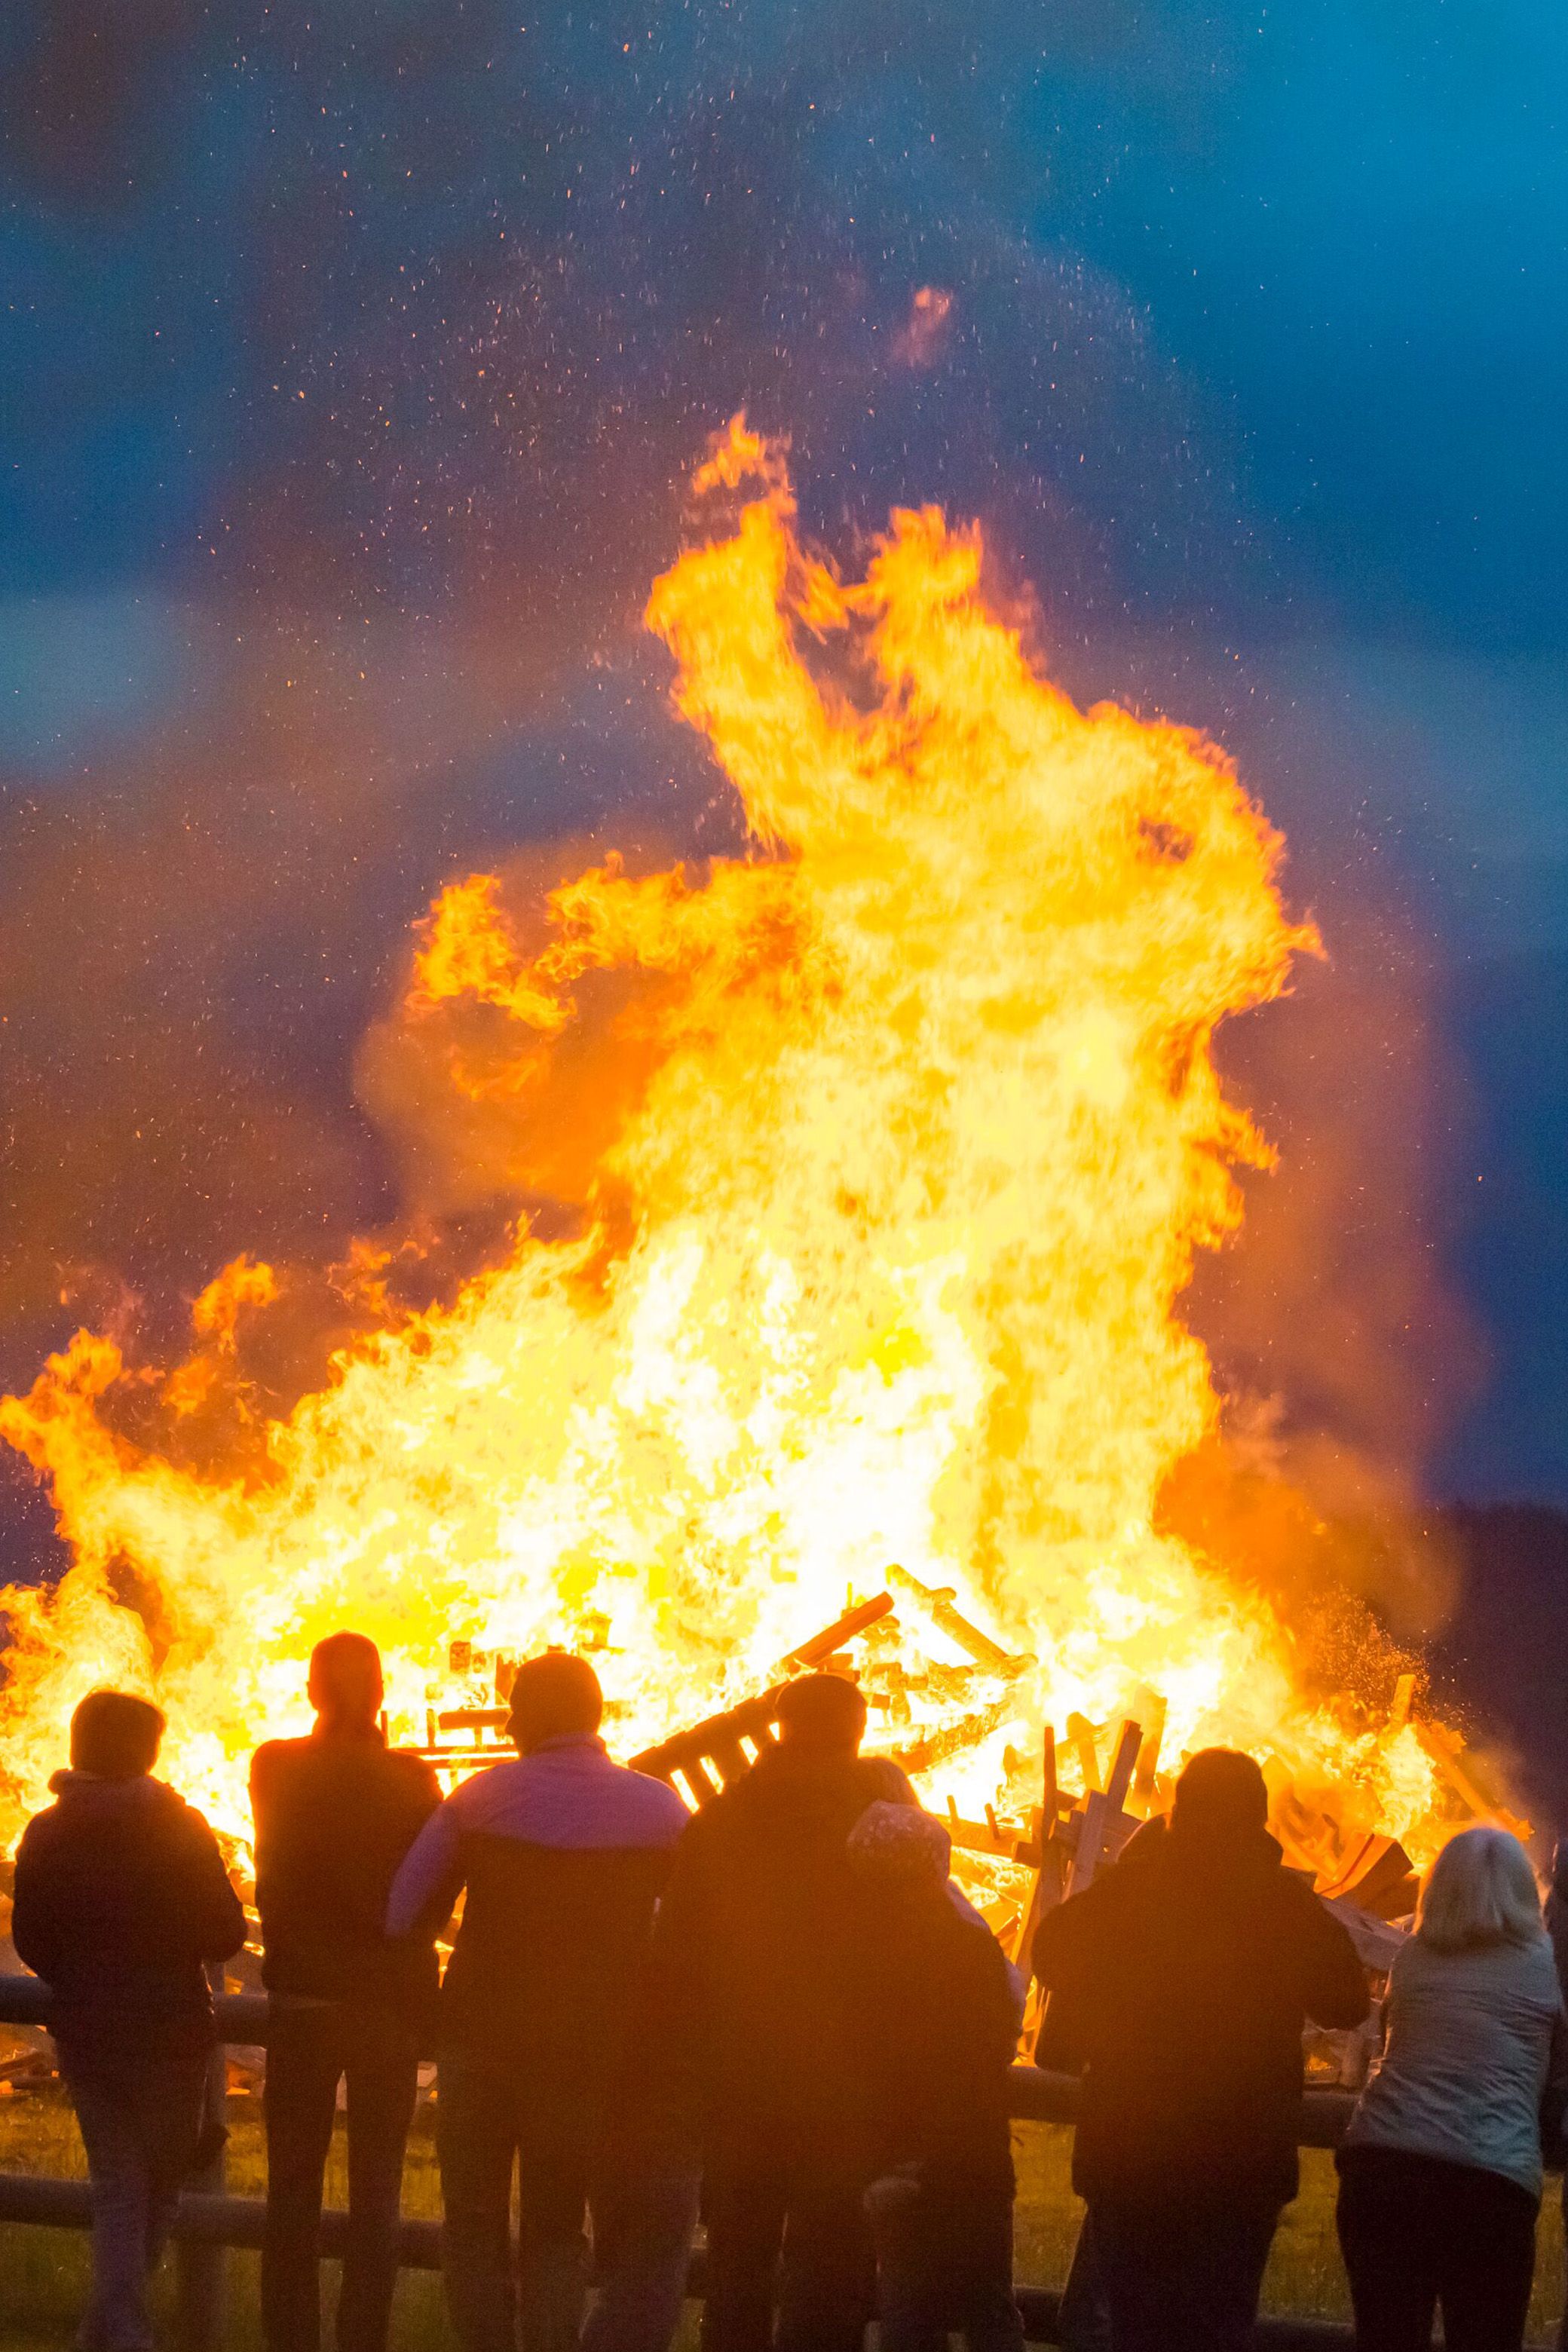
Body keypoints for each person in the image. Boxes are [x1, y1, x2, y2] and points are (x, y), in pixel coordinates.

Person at [386, 1649, 691, 2352]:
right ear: (596, 1716)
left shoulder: (481, 1799)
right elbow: (691, 1931)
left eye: (516, 1707)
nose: (512, 1718)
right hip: (593, 2046)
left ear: (528, 1718)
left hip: (481, 2038)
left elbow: (404, 1912)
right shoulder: (659, 1808)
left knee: (473, 2220)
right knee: (557, 2221)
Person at [1031, 1746, 1369, 2352]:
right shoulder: (1282, 1906)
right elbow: (1347, 2002)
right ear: (1258, 1817)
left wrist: (1136, 1869)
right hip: (1238, 2168)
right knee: (1218, 2330)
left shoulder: (1135, 1891)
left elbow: (1051, 1949)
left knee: (1136, 2331)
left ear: (1176, 1814)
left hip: (1133, 2158)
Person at [650, 1670, 917, 2352]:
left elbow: (677, 1948)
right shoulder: (885, 1821)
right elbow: (924, 1941)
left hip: (743, 2076)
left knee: (739, 2258)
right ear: (856, 1731)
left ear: (780, 1728)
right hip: (850, 2078)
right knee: (834, 2261)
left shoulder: (722, 1819)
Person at [11, 1689, 246, 2352]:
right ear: (146, 1752)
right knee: (160, 2185)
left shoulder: (46, 1831)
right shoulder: (178, 1826)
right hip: (170, 2033)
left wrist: (79, 1980)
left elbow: (32, 1938)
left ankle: (107, 2329)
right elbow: (227, 1933)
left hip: (87, 2032)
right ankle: (123, 2331)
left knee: (118, 2183)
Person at [250, 1632, 442, 2352]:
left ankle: (288, 2340)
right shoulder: (412, 1779)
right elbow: (428, 1882)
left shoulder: (274, 1766)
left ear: (310, 1691)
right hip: (385, 2006)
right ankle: (364, 2338)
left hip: (302, 2002)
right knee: (377, 2196)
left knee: (289, 2193)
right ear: (382, 1693)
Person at [1336, 1824, 1568, 2352]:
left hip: (1380, 2168)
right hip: (1488, 2181)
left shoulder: (1412, 1960)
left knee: (1386, 2337)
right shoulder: (1538, 1965)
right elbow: (1556, 2070)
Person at [850, 1799, 1025, 2352]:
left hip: (893, 2157)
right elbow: (1000, 2032)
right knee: (989, 2307)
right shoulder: (969, 1943)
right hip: (971, 2159)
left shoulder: (854, 1946)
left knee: (907, 2307)